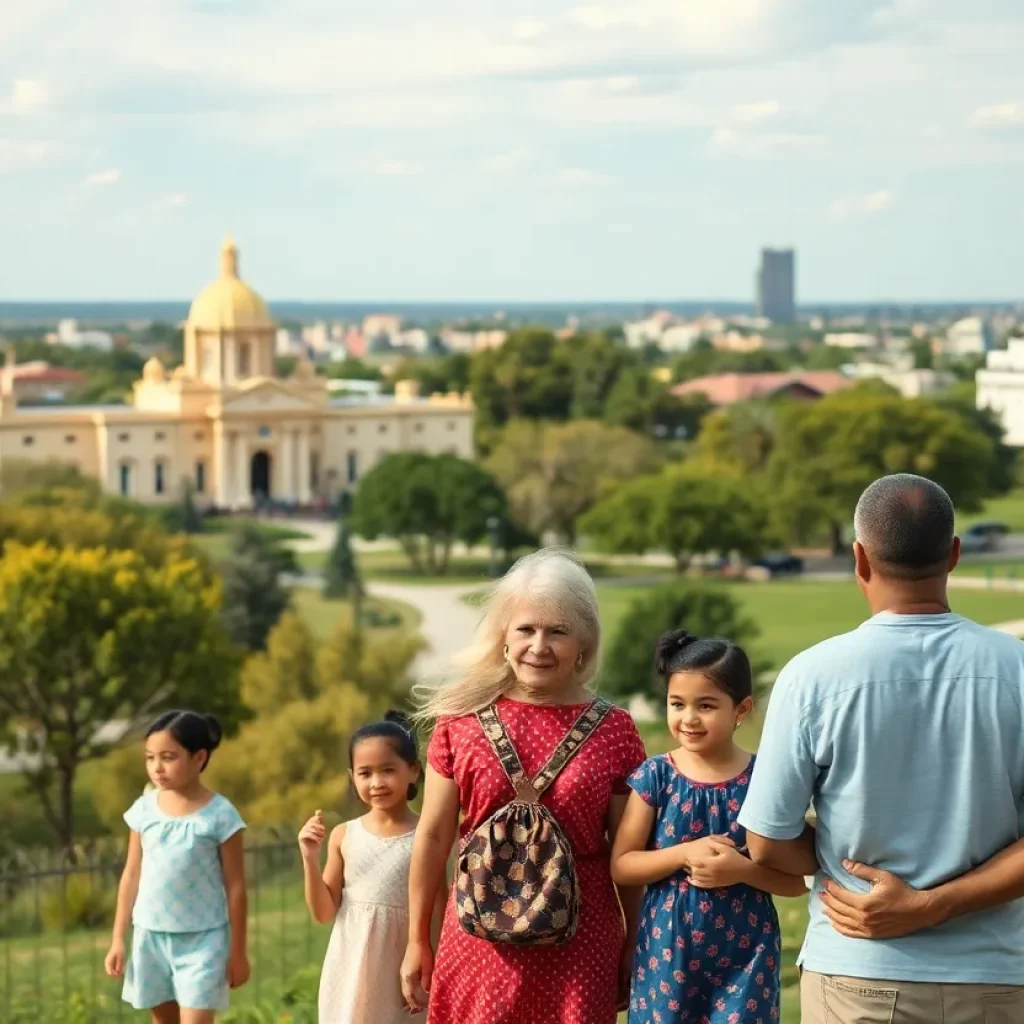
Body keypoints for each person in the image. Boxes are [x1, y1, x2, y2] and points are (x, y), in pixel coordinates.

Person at [739, 473, 1024, 1023]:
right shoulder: (1016, 670)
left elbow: (767, 842)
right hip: (995, 979)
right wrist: (937, 903)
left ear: (860, 559)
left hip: (857, 976)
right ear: (955, 555)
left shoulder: (813, 676)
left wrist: (862, 876)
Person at [401, 548, 647, 1024]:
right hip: (478, 944)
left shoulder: (616, 730)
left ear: (584, 643)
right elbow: (432, 838)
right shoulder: (459, 722)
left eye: (558, 631)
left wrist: (635, 941)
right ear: (503, 638)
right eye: (526, 629)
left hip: (582, 945)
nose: (539, 645)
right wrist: (416, 939)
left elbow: (627, 850)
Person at [612, 629, 807, 1024]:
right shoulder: (656, 777)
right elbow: (623, 865)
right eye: (677, 703)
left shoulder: (763, 781)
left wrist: (743, 870)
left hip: (746, 957)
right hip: (668, 954)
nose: (689, 718)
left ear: (742, 708)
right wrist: (684, 852)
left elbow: (797, 881)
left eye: (706, 705)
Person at [298, 710, 444, 1024]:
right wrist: (309, 857)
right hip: (351, 969)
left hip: (407, 966)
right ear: (353, 777)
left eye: (388, 770)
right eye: (365, 773)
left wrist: (434, 966)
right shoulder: (344, 835)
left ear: (414, 771)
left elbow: (438, 908)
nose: (377, 782)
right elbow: (324, 913)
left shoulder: (429, 836)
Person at [105, 711, 249, 1024]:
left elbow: (236, 886)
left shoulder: (221, 815)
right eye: (150, 757)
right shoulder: (143, 810)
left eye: (168, 757)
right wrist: (118, 938)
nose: (157, 767)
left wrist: (238, 952)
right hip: (150, 938)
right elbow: (131, 874)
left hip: (204, 940)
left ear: (199, 758)